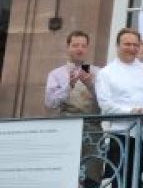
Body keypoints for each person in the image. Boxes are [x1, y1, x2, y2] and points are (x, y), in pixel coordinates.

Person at [94, 28, 143, 187]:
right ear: (117, 46)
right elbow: (106, 106)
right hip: (121, 136)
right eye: (127, 44)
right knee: (123, 181)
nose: (132, 48)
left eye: (136, 45)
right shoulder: (106, 73)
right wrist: (132, 111)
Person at [44, 30, 103, 187]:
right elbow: (50, 103)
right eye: (75, 45)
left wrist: (91, 85)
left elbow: (106, 103)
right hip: (65, 128)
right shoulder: (56, 74)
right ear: (68, 47)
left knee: (91, 178)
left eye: (83, 45)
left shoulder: (98, 73)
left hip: (93, 131)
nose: (79, 49)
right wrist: (68, 86)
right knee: (64, 176)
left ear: (87, 49)